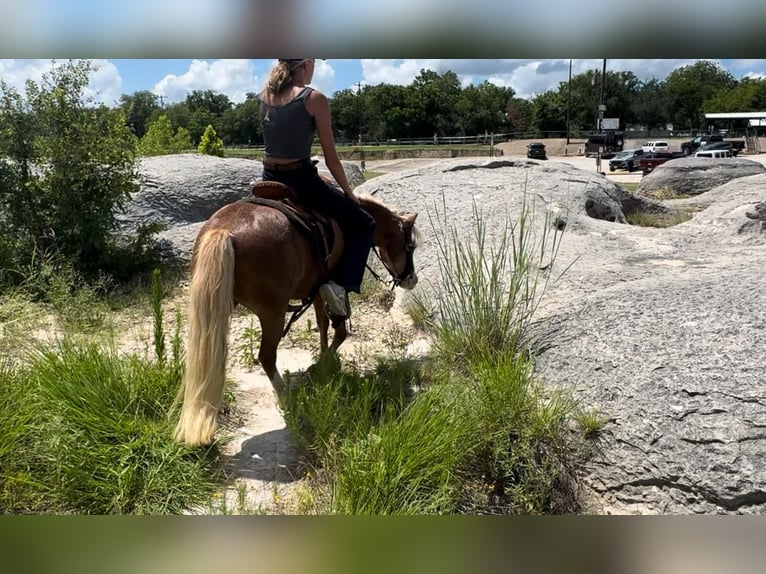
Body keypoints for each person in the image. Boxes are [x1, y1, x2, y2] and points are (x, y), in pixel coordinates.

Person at [257, 58, 376, 318]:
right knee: (364, 224)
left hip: (267, 178)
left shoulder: (266, 94)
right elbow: (331, 159)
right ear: (307, 64)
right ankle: (339, 284)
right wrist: (349, 193)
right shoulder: (314, 99)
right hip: (301, 182)